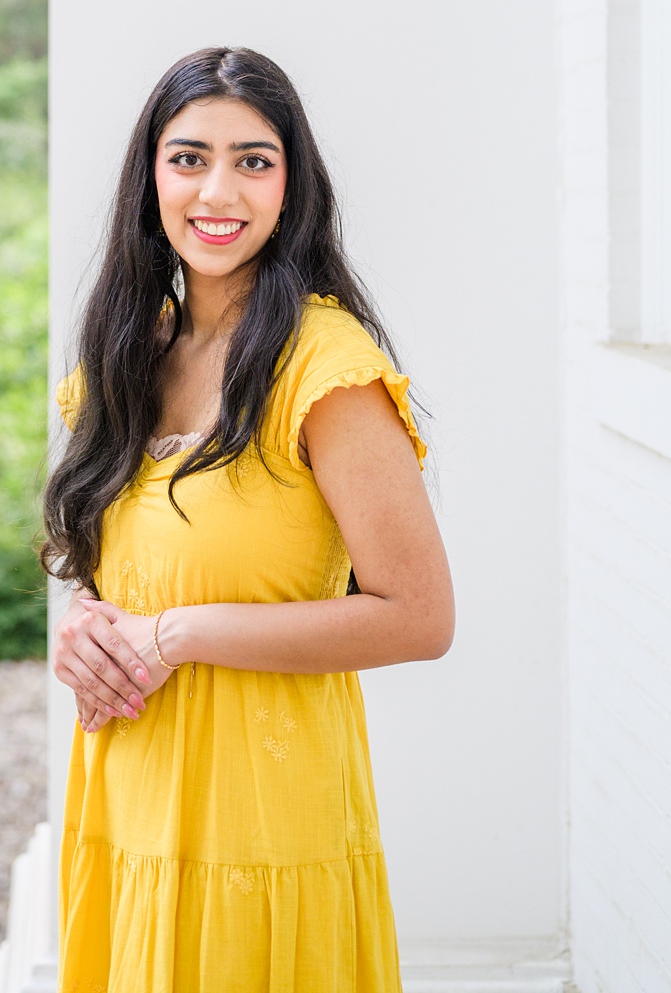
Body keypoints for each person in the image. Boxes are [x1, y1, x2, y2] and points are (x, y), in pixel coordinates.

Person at [45, 48, 454, 991]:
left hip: (263, 823)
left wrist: (174, 635)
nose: (216, 189)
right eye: (188, 158)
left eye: (253, 160)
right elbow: (128, 580)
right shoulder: (127, 354)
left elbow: (420, 617)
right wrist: (86, 635)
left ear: (291, 185)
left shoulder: (326, 369)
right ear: (150, 177)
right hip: (131, 800)